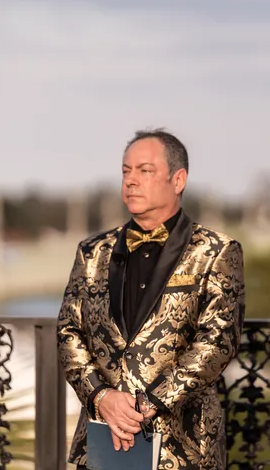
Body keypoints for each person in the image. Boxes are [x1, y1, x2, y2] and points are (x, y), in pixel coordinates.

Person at [56, 129, 245, 470]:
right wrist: (101, 397)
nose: (131, 181)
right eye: (126, 171)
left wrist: (149, 403)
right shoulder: (92, 252)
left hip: (184, 443)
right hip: (102, 437)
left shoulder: (216, 251)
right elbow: (69, 331)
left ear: (178, 179)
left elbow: (218, 341)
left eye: (144, 171)